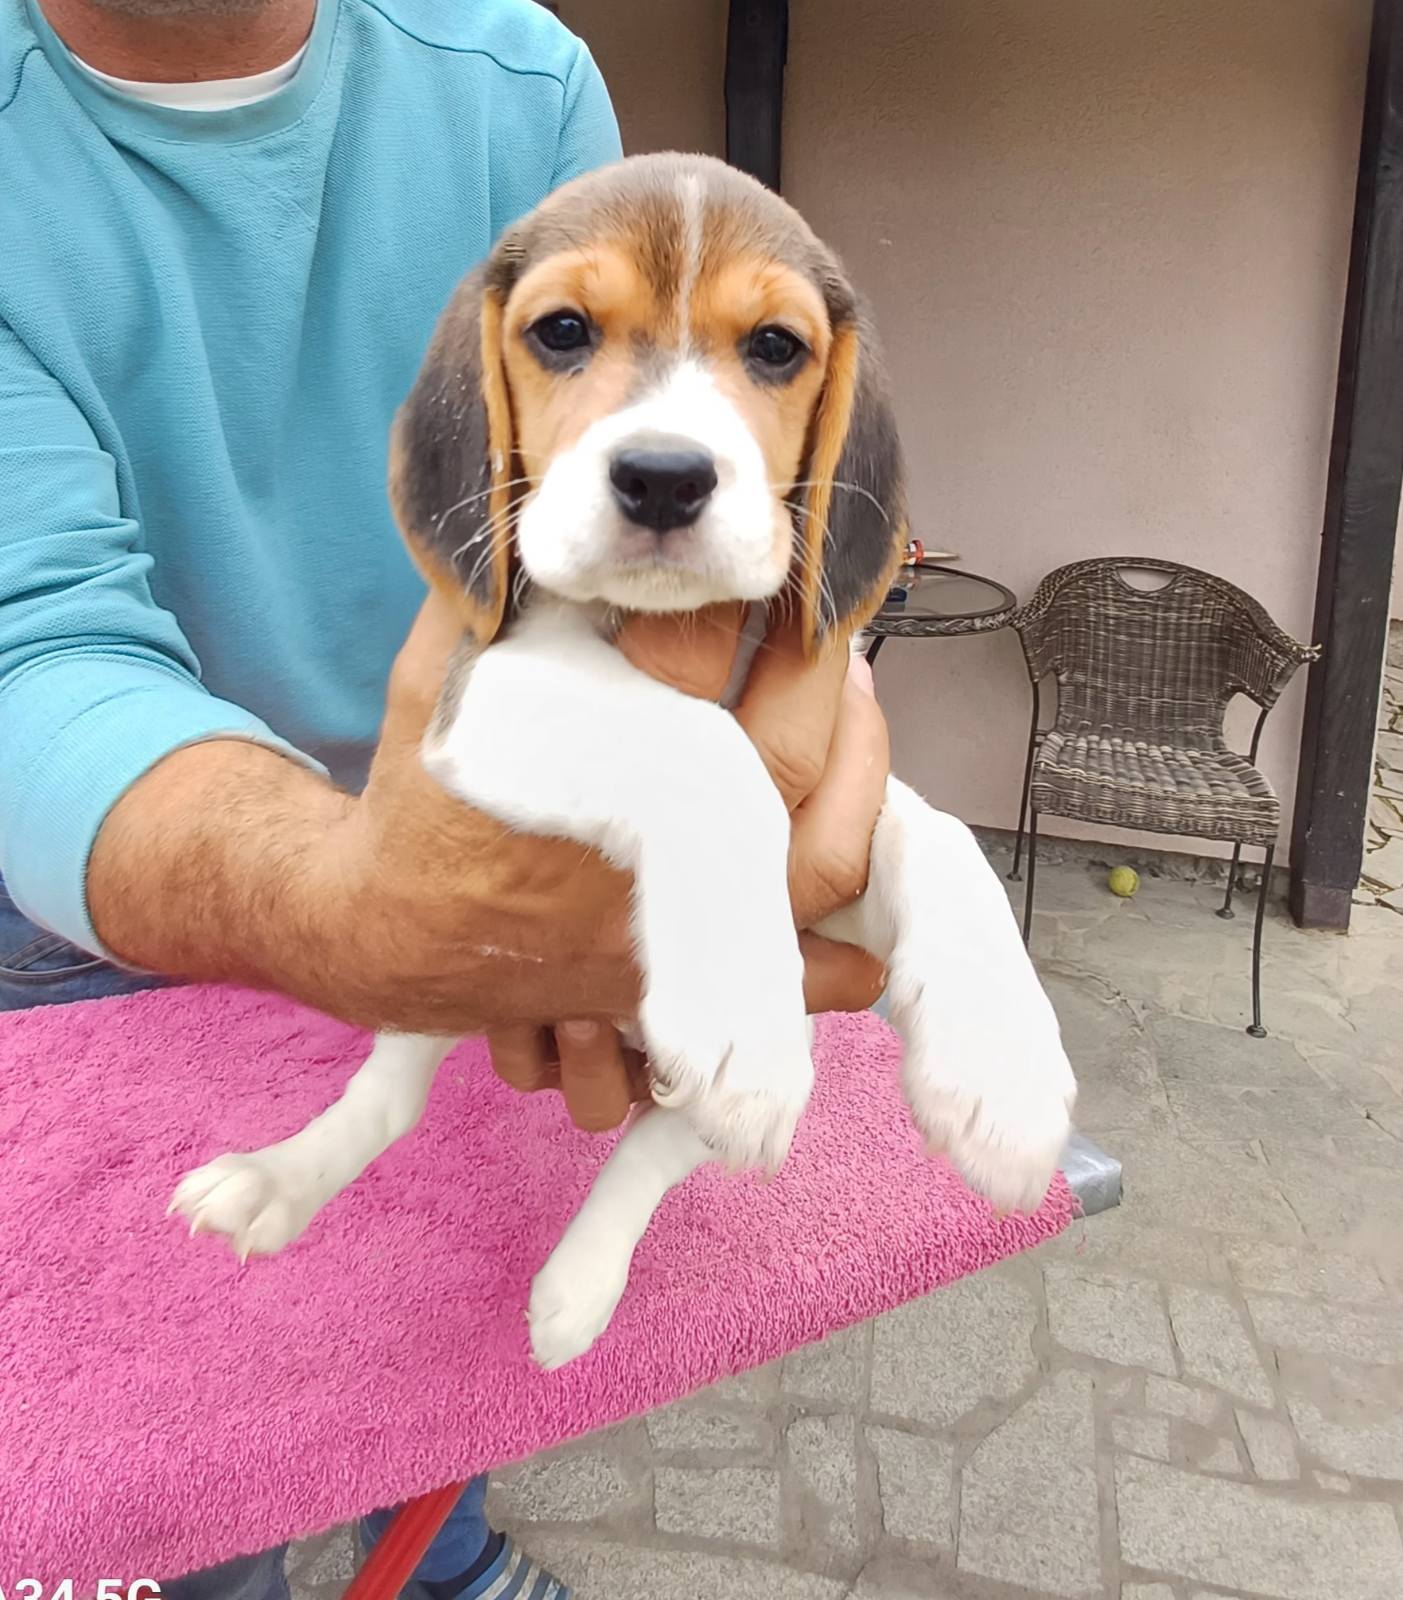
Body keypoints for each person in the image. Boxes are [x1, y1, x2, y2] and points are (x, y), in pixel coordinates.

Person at [0, 0, 890, 1595]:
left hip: (503, 814)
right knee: (184, 1443)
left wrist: (770, 734)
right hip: (92, 895)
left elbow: (618, 554)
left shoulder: (517, 78)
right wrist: (352, 898)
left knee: (449, 1276)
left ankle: (444, 1560)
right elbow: (29, 641)